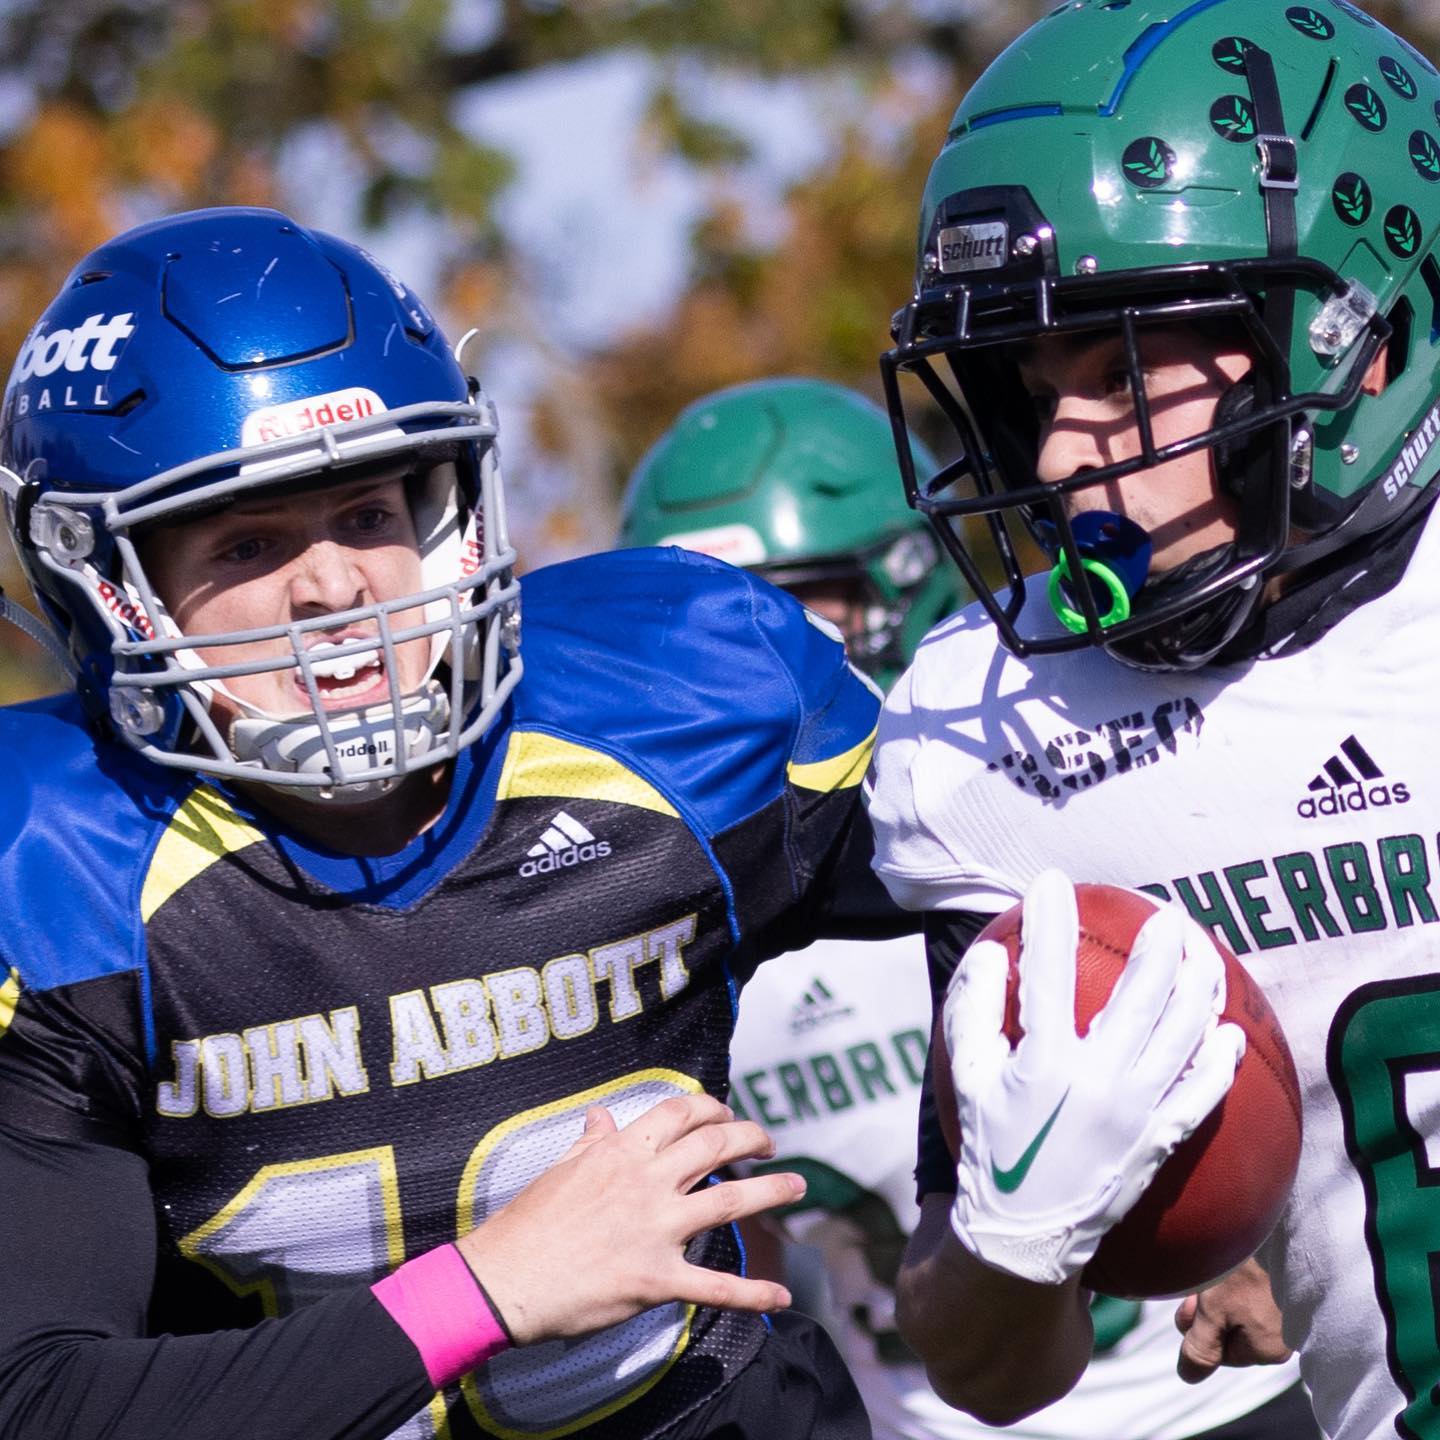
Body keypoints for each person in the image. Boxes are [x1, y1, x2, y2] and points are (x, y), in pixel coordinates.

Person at [0, 206, 906, 1440]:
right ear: (109, 586)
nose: (332, 587)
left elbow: (1014, 859)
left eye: (370, 514)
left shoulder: (668, 700)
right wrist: (479, 1291)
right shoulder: (59, 863)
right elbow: (42, 1400)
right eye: (250, 540)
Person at [865, 4, 1440, 1440]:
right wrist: (1015, 1244)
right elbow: (988, 1369)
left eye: (1122, 371)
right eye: (1033, 388)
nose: (1061, 456)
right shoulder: (986, 740)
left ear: (1363, 343)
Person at [622, 377, 1316, 1440]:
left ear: (899, 589)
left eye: (787, 616)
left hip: (1216, 1406)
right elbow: (729, 1265)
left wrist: (1278, 1227)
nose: (739, 684)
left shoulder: (1050, 812)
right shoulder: (685, 930)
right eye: (695, 644)